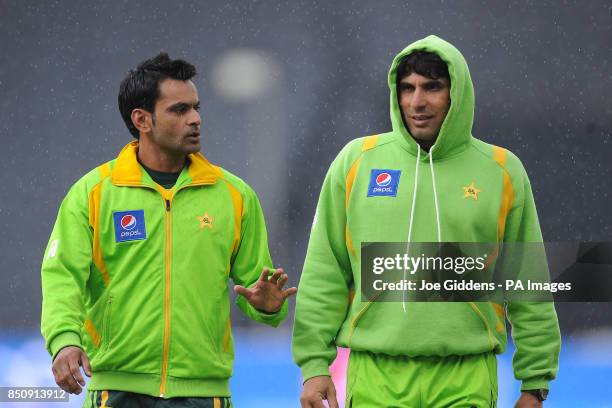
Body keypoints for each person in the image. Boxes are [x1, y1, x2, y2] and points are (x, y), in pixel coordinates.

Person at [292, 35, 560, 407]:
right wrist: (313, 366)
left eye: (432, 87)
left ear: (458, 94)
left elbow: (528, 283)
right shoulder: (356, 162)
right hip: (376, 376)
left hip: (466, 376)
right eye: (407, 88)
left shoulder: (502, 171)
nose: (417, 102)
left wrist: (535, 384)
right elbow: (325, 272)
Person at [41, 53, 297, 407]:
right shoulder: (93, 193)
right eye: (179, 110)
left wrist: (268, 307)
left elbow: (259, 291)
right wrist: (65, 339)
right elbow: (62, 277)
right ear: (142, 119)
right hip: (117, 392)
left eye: (196, 107)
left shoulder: (235, 196)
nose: (195, 119)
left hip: (204, 394)